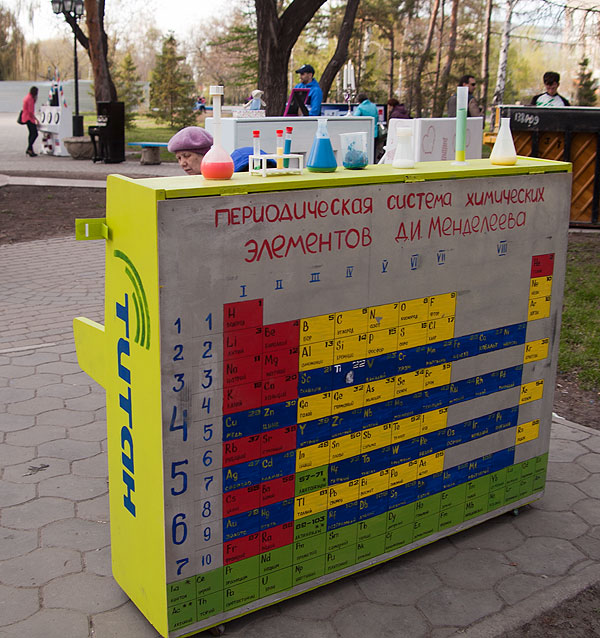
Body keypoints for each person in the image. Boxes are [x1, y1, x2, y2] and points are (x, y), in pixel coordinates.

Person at [354, 93, 380, 158]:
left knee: (364, 152)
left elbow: (355, 118)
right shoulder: (374, 106)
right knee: (373, 152)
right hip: (374, 132)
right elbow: (377, 118)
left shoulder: (360, 107)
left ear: (359, 101)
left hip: (364, 133)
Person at [22, 86, 40, 157]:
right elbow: (30, 111)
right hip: (29, 118)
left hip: (26, 117)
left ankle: (30, 150)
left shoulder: (27, 97)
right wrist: (36, 119)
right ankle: (29, 148)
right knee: (35, 133)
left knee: (31, 134)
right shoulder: (30, 99)